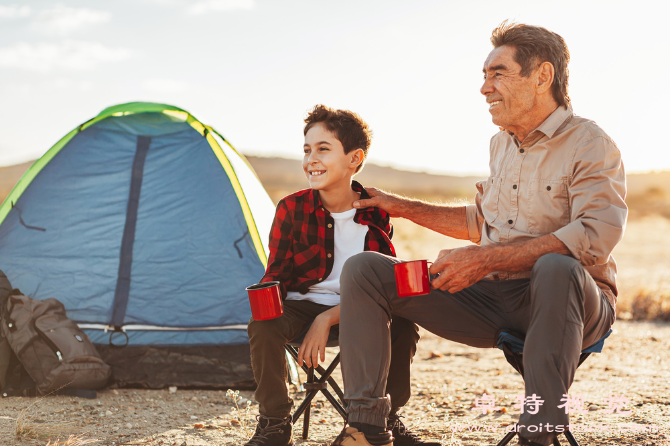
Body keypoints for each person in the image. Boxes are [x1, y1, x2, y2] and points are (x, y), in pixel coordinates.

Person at [332, 22, 627, 446]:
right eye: (484, 76)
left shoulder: (589, 143)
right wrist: (401, 207)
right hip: (493, 300)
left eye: (497, 74)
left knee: (556, 268)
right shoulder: (501, 144)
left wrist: (485, 259)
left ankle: (539, 433)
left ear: (542, 76)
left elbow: (595, 234)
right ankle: (366, 428)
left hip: (571, 304)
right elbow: (484, 224)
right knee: (366, 271)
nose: (485, 88)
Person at [245, 105, 434, 446]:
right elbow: (275, 273)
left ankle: (384, 421)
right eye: (306, 150)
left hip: (358, 310)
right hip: (300, 308)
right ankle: (274, 423)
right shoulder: (292, 208)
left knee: (404, 325)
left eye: (323, 149)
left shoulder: (377, 212)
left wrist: (329, 319)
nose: (310, 159)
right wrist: (266, 297)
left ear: (353, 158)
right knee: (263, 325)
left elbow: (382, 283)